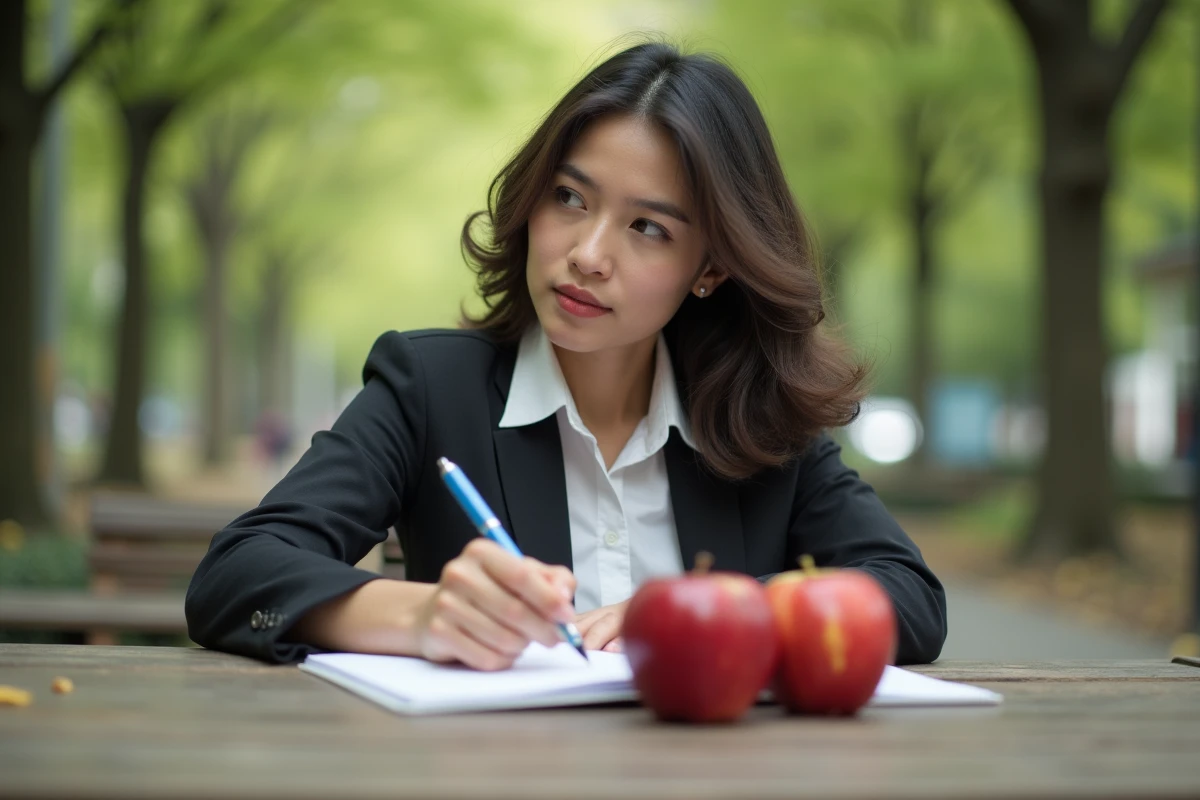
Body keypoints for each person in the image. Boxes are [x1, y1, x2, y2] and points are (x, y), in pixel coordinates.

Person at [185, 41, 947, 669]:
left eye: (648, 228)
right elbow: (236, 574)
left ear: (711, 268)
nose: (586, 254)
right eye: (570, 199)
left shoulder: (758, 420)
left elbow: (909, 599)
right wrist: (425, 616)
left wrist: (728, 613)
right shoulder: (431, 389)